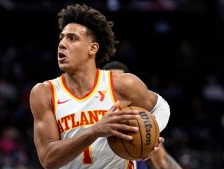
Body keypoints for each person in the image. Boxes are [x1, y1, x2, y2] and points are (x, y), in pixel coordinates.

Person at [29, 3, 170, 169]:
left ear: (92, 48)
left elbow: (161, 106)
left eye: (72, 38)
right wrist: (95, 130)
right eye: (62, 37)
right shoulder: (45, 92)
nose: (62, 44)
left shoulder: (121, 84)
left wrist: (149, 133)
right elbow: (48, 159)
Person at [103, 61, 183, 169]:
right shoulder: (90, 117)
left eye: (121, 81)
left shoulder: (141, 131)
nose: (117, 87)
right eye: (113, 83)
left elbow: (163, 162)